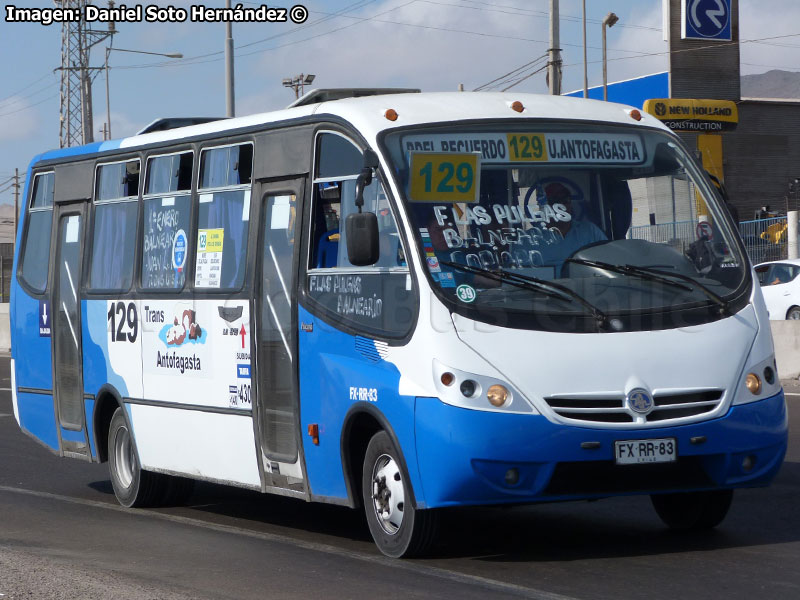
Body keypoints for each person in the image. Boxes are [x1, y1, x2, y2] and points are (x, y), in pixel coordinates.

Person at [538, 181, 607, 274]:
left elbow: (609, 260)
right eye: (555, 201)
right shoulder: (531, 238)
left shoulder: (590, 231)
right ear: (545, 207)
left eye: (565, 200)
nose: (561, 206)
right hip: (543, 288)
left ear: (570, 204)